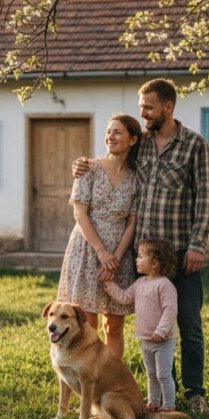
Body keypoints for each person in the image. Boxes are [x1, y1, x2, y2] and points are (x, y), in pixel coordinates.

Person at [73, 78, 209, 414]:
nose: (144, 114)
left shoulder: (195, 145)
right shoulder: (142, 144)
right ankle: (164, 395)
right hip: (146, 259)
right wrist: (82, 165)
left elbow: (205, 199)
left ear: (168, 107)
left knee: (189, 325)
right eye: (141, 109)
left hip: (181, 252)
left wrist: (198, 245)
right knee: (150, 328)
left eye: (148, 108)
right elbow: (112, 155)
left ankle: (195, 394)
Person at [56, 113, 142, 360]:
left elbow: (132, 222)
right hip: (87, 249)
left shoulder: (137, 177)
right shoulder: (88, 168)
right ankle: (86, 379)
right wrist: (102, 253)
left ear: (133, 140)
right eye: (108, 131)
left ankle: (110, 379)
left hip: (119, 255)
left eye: (117, 132)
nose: (110, 137)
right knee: (87, 325)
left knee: (113, 326)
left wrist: (115, 257)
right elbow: (80, 214)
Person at [102, 238, 179, 413]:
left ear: (155, 263)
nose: (136, 260)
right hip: (146, 339)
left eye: (141, 256)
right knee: (151, 375)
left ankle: (169, 405)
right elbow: (124, 297)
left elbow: (170, 310)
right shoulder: (140, 283)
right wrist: (109, 283)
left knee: (163, 375)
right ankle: (152, 403)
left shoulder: (165, 285)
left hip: (163, 341)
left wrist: (161, 331)